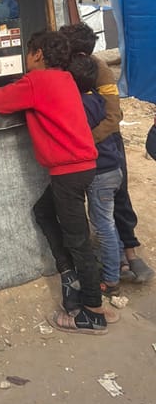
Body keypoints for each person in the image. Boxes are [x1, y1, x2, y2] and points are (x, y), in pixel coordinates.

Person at [0, 30, 115, 335]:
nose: (27, 57)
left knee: (78, 239)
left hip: (68, 171)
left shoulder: (36, 82)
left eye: (29, 52)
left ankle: (94, 312)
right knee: (44, 212)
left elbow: (1, 102)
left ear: (39, 54)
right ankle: (74, 280)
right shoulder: (65, 78)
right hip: (83, 166)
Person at [59, 22, 154, 284]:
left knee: (118, 199)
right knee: (100, 210)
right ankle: (117, 258)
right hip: (88, 149)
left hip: (106, 145)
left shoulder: (97, 69)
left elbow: (114, 116)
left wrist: (85, 142)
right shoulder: (63, 68)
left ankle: (130, 254)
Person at [68, 53, 124, 296]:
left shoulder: (80, 105)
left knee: (102, 225)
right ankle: (118, 259)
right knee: (108, 222)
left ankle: (111, 278)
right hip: (113, 169)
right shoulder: (99, 99)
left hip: (100, 173)